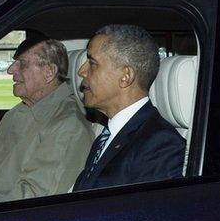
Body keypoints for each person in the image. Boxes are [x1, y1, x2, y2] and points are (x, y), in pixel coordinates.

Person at [0, 33, 96, 203]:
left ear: (49, 72)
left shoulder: (68, 127)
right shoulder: (16, 113)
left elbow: (32, 202)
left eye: (22, 64)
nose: (11, 69)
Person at [72, 24, 185, 191]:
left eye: (92, 62)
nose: (82, 71)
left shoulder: (160, 145)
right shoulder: (106, 136)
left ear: (126, 76)